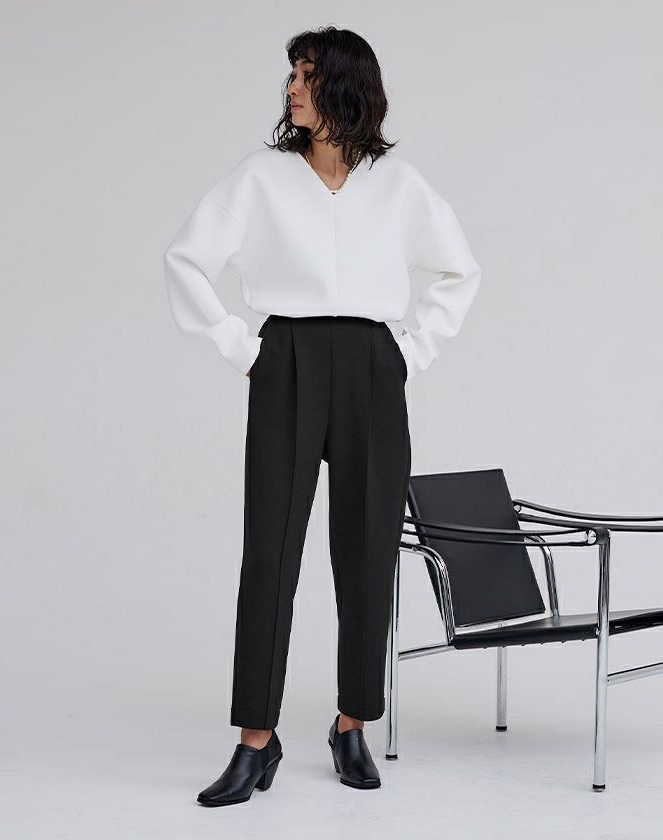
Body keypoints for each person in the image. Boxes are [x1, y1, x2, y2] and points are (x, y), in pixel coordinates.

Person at [163, 26, 481, 807]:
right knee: (269, 553)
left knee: (367, 551)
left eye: (306, 75)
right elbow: (186, 259)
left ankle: (351, 723)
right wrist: (245, 349)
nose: (292, 88)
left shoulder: (397, 185)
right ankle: (256, 740)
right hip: (288, 361)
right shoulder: (263, 178)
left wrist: (409, 353)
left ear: (345, 85)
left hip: (373, 364)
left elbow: (460, 270)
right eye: (292, 76)